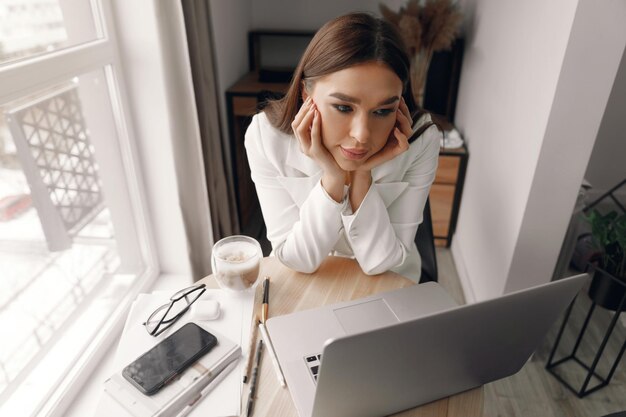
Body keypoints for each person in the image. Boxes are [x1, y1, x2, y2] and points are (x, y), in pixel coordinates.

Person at [244, 12, 441, 283]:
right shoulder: (266, 137)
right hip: (311, 284)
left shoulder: (422, 140)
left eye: (383, 110)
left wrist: (362, 175)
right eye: (343, 107)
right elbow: (296, 259)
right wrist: (333, 178)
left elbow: (382, 262)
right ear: (306, 94)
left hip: (391, 284)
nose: (361, 135)